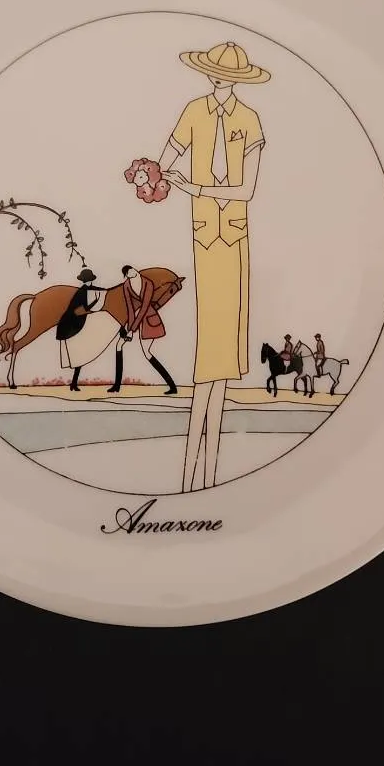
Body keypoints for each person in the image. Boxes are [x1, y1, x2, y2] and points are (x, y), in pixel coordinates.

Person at [159, 40, 270, 492]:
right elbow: (165, 161)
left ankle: (204, 471)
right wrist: (151, 177)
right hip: (204, 236)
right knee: (211, 344)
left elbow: (246, 191)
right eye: (216, 73)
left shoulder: (250, 120)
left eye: (228, 76)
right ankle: (195, 470)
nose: (219, 80)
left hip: (234, 238)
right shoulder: (194, 112)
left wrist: (194, 188)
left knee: (222, 348)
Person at [108, 266, 177, 395]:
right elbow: (130, 307)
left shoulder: (148, 283)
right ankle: (116, 386)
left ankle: (172, 386)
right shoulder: (126, 285)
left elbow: (145, 307)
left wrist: (132, 329)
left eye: (132, 270)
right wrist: (129, 327)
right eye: (129, 273)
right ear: (127, 276)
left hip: (148, 319)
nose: (132, 272)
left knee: (147, 353)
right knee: (119, 345)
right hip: (134, 319)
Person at [56, 268, 107, 391]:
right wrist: (93, 304)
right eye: (88, 280)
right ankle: (73, 383)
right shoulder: (81, 292)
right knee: (78, 355)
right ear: (86, 280)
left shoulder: (90, 289)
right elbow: (77, 310)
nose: (89, 282)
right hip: (74, 326)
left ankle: (73, 383)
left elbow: (98, 290)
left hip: (81, 324)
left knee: (80, 355)